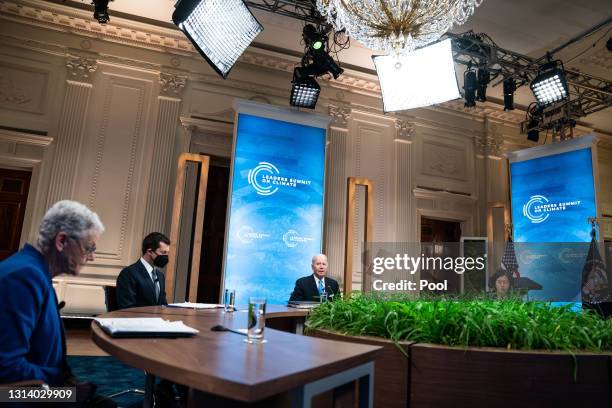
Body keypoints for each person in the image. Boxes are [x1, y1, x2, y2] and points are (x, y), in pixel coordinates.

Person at [0, 200, 115, 407]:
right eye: (89, 248)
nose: (92, 257)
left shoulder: (33, 271)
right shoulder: (23, 276)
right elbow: (7, 371)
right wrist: (64, 391)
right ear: (62, 241)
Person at [116, 232, 170, 309]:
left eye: (167, 253)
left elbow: (163, 305)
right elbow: (127, 307)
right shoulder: (128, 273)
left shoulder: (160, 276)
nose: (166, 256)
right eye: (163, 252)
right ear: (149, 252)